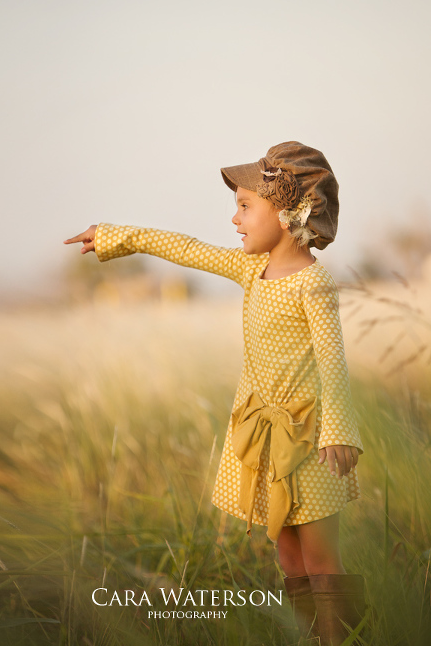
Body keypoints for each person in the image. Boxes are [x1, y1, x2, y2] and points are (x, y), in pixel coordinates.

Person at [64, 141, 367, 645]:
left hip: (308, 442)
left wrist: (337, 431)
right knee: (287, 552)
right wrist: (117, 236)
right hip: (261, 439)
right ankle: (310, 637)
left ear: (291, 210)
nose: (234, 219)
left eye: (246, 206)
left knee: (320, 557)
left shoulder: (314, 285)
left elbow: (333, 366)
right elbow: (185, 248)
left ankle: (341, 639)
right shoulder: (252, 270)